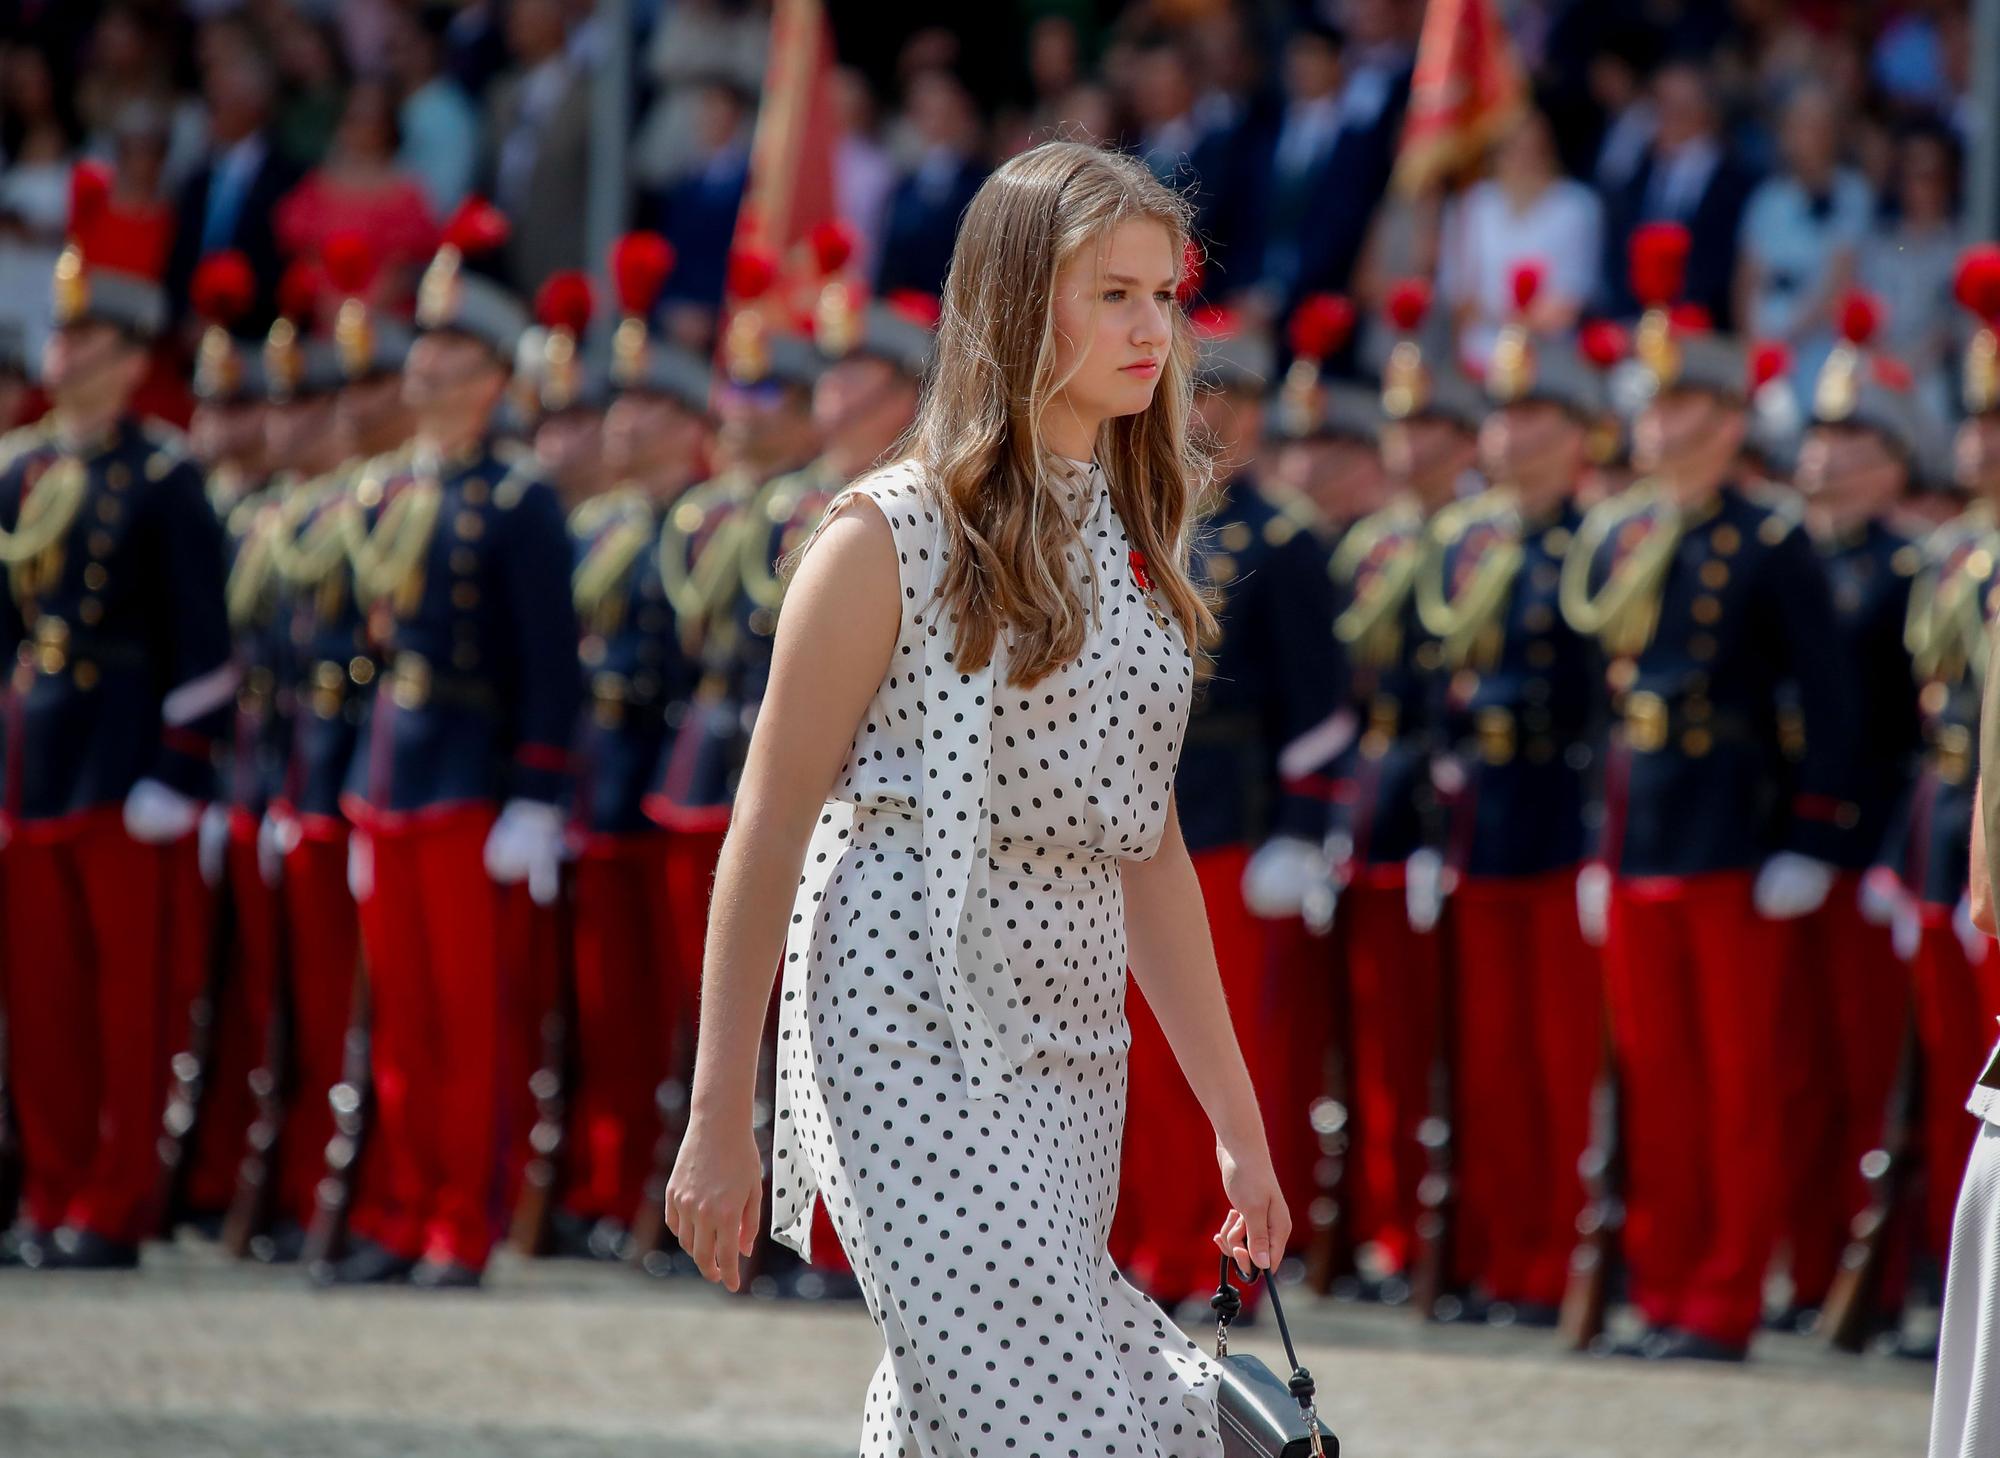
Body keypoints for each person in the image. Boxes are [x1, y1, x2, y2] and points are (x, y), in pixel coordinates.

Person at [663, 140, 1284, 1454]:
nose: (1150, 327)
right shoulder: (882, 536)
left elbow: (1149, 847)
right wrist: (722, 1113)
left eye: (1164, 296)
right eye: (1110, 292)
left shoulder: (1135, 542)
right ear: (1014, 300)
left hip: (1070, 1030)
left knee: (964, 1408)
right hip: (902, 1007)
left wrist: (1239, 1125)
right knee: (1060, 1416)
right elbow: (769, 827)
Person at [1562, 222, 1857, 1362]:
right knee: (1658, 1083)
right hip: (1641, 825)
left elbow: (1824, 701)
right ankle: (1667, 1283)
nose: (1653, 422)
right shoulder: (1624, 531)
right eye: (1649, 403)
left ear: (1727, 422)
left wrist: (1812, 832)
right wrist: (1597, 835)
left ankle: (1727, 1295)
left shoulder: (1768, 538)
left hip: (1732, 824)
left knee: (1738, 1082)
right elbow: (1601, 694)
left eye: (1678, 405)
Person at [325, 202, 580, 1288]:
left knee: (470, 1023)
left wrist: (534, 793)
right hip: (389, 772)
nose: (419, 369)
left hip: (472, 777)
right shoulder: (384, 491)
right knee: (401, 1022)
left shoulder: (516, 500)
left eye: (444, 353)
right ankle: (394, 1205)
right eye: (418, 351)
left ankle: (456, 1222)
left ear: (488, 376)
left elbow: (548, 662)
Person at [0, 242, 233, 1269]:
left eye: (88, 335)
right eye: (61, 333)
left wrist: (180, 768)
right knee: (41, 1000)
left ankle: (114, 1196)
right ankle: (49, 1189)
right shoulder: (24, 469)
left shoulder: (165, 476)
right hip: (34, 759)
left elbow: (205, 646)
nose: (66, 351)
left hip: (124, 757)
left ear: (135, 359)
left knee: (126, 1000)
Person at [1112, 306, 1343, 1309]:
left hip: (1225, 825)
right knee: (1122, 1062)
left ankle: (1217, 1264)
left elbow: (1320, 712)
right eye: (1194, 391)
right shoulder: (1132, 515)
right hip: (1124, 821)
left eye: (1229, 397)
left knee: (1212, 1067)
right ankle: (1133, 1253)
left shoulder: (1281, 541)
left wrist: (1297, 832)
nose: (1208, 414)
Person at [1417, 262, 1607, 1324]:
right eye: (1501, 411)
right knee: (1485, 1065)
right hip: (1476, 824)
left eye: (1534, 411)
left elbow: (1593, 702)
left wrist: (1592, 840)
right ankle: (1496, 1263)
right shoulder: (1465, 540)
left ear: (1577, 430)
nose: (1510, 431)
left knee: (1557, 1063)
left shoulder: (1596, 542)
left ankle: (1554, 1268)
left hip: (1556, 818)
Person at [1323, 277, 1485, 1298]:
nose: (1407, 442)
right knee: (1378, 1043)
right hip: (1373, 810)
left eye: (1429, 423)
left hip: (1456, 813)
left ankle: (1461, 1240)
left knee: (1461, 1048)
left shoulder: (1482, 547)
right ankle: (1387, 1231)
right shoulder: (1370, 545)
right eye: (1397, 422)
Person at [1770, 296, 1925, 1327]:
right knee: (1795, 1074)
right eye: (1817, 434)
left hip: (1866, 851)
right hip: (1774, 844)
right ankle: (1812, 1264)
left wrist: (1867, 846)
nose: (1824, 455)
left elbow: (1908, 730)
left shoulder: (1905, 570)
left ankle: (1886, 1272)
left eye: (1850, 437)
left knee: (1874, 1070)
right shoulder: (1783, 553)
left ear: (1892, 461)